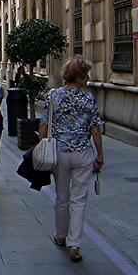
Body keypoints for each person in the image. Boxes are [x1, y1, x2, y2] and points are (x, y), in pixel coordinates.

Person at [39, 59, 104, 263]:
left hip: (60, 152)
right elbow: (95, 129)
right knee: (79, 199)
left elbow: (44, 125)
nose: (89, 79)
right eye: (87, 75)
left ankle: (60, 235)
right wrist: (100, 154)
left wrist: (41, 146)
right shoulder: (88, 99)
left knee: (62, 196)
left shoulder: (53, 96)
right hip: (83, 153)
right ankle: (74, 244)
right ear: (81, 77)